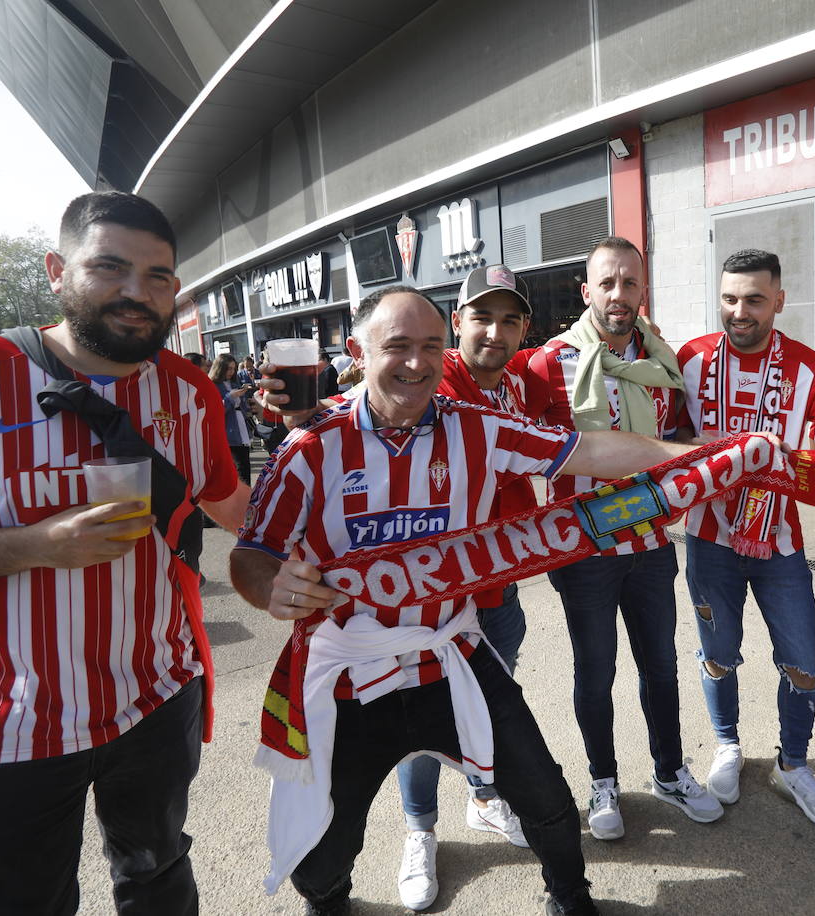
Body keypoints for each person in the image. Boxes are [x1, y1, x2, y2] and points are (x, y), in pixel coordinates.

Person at [230, 286, 724, 916]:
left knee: (545, 795)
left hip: (453, 652)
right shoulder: (309, 447)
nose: (417, 363)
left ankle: (570, 898)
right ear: (357, 352)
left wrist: (709, 457)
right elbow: (251, 552)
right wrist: (270, 587)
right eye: (398, 347)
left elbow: (589, 450)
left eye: (430, 346)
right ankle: (336, 898)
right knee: (328, 844)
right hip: (353, 672)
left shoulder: (476, 428)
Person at [0, 190, 249, 914]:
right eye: (110, 267)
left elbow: (238, 509)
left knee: (158, 878)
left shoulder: (190, 392)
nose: (137, 291)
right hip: (9, 720)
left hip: (158, 699)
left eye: (158, 276)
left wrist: (314, 427)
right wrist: (32, 545)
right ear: (57, 270)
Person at [674, 249, 815, 828]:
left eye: (753, 299)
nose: (738, 311)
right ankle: (728, 746)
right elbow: (660, 432)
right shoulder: (690, 359)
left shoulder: (811, 369)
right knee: (718, 656)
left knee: (801, 660)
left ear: (778, 300)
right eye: (729, 298)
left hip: (781, 544)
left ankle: (792, 766)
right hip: (708, 538)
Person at [527, 236, 723, 839]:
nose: (619, 295)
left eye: (629, 283)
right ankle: (603, 781)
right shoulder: (544, 363)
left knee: (660, 667)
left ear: (643, 291)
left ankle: (668, 771)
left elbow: (681, 439)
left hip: (650, 547)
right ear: (586, 292)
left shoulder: (661, 361)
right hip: (584, 551)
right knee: (595, 671)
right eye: (607, 284)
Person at [390, 264, 539, 909]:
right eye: (482, 316)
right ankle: (420, 831)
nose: (494, 332)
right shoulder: (434, 379)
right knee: (418, 719)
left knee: (485, 706)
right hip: (425, 598)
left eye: (509, 320)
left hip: (497, 590)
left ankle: (483, 798)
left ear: (524, 330)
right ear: (458, 322)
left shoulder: (523, 382)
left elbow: (557, 445)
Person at [211, 352, 256, 484]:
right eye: (228, 368)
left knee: (245, 466)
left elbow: (242, 407)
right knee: (237, 468)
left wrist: (247, 401)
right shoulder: (213, 385)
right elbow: (216, 410)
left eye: (233, 368)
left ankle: (246, 497)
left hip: (241, 427)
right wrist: (231, 397)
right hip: (227, 431)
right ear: (220, 368)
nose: (231, 372)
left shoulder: (235, 382)